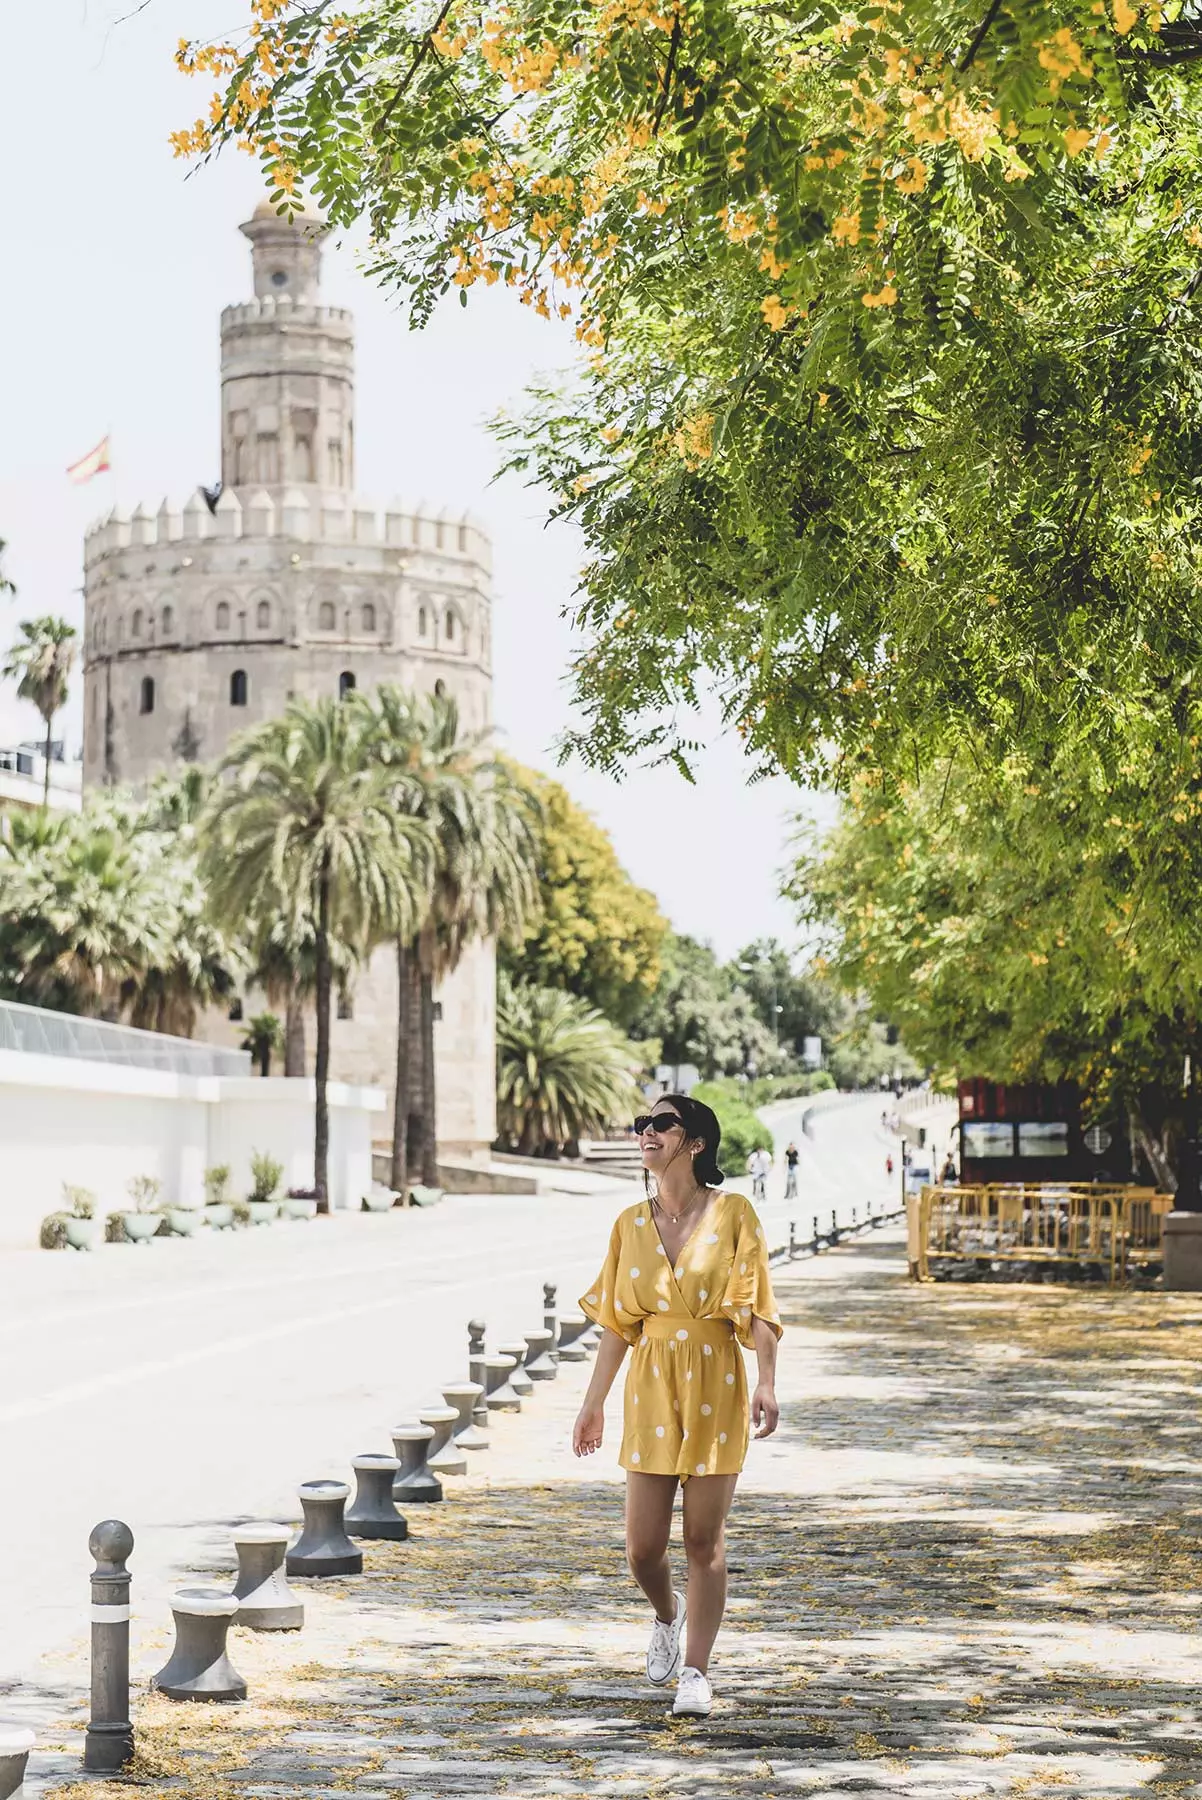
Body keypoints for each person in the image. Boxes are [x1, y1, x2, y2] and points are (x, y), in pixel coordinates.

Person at [572, 1095, 782, 1719]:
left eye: (661, 1123)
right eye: (642, 1124)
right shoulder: (628, 1225)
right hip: (652, 1381)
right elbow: (616, 1323)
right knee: (641, 1548)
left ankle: (696, 1671)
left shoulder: (735, 1213)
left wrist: (767, 1381)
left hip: (717, 1380)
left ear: (694, 1142)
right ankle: (668, 1614)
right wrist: (593, 1404)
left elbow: (759, 1307)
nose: (647, 1132)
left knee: (702, 1539)